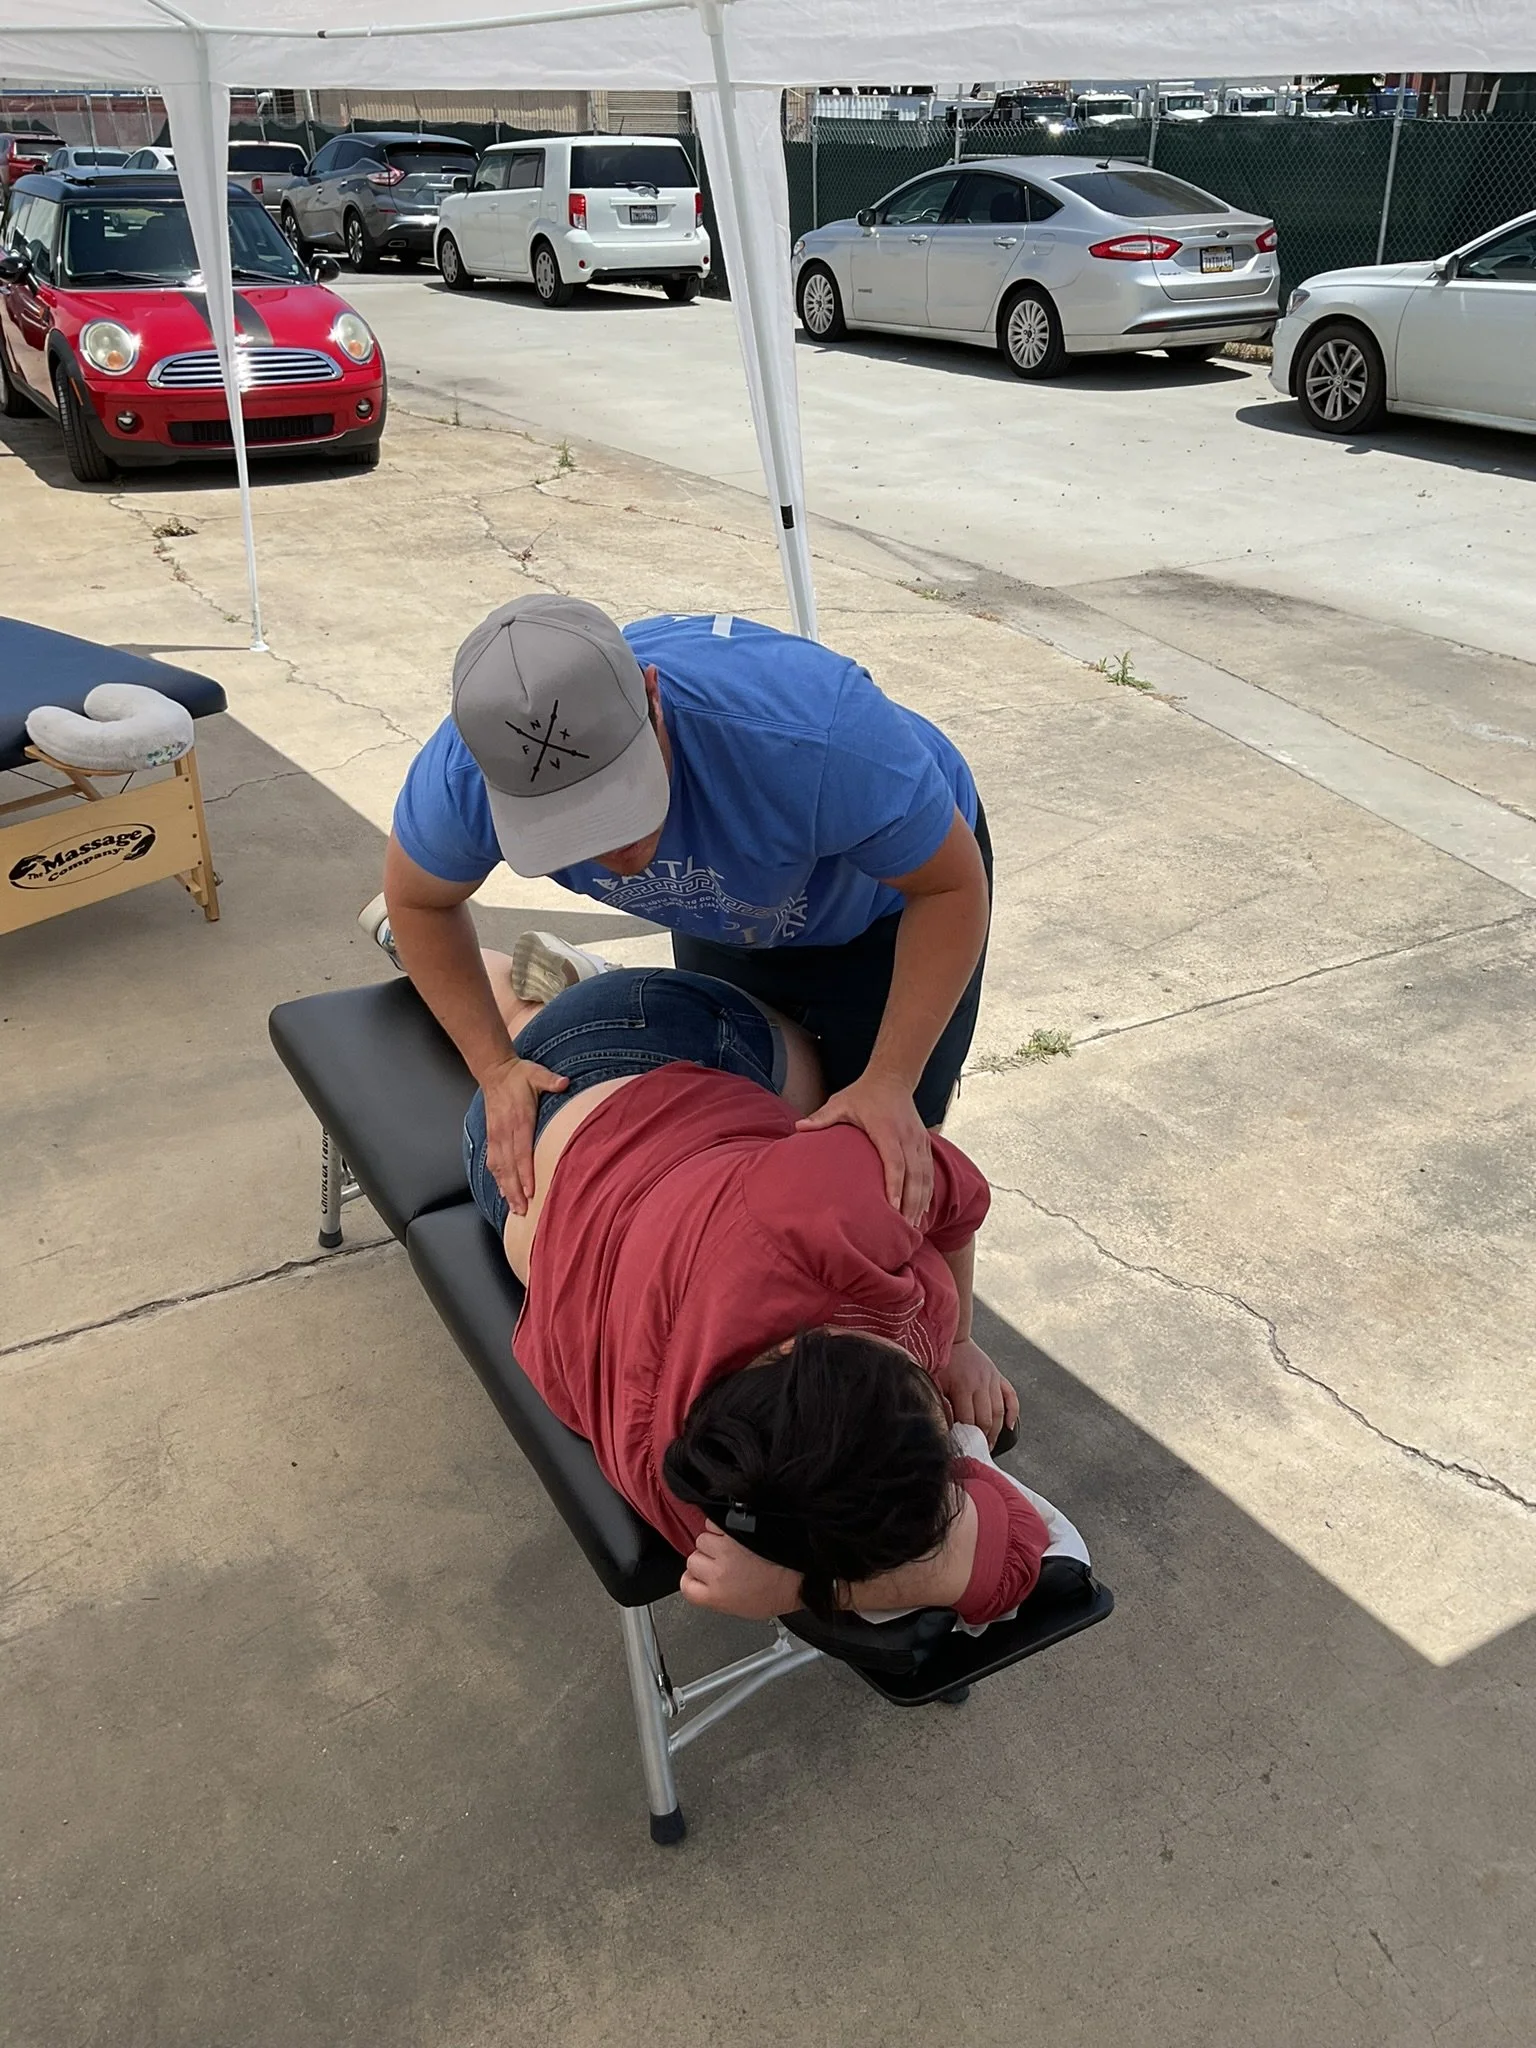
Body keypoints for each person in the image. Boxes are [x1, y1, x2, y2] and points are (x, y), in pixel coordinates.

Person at [373, 593, 992, 1233]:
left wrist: (891, 1079)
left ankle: (944, 1336)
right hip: (722, 904)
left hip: (892, 906)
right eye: (566, 827)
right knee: (759, 1110)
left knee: (896, 1156)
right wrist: (495, 1068)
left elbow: (949, 887)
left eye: (621, 800)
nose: (611, 855)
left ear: (653, 698)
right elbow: (418, 901)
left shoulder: (814, 737)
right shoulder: (464, 777)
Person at [462, 956, 1049, 1628]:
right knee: (821, 1062)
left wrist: (961, 1340)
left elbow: (955, 1192)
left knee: (808, 1061)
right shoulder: (721, 1492)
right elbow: (1011, 1559)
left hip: (572, 1096)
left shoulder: (817, 1215)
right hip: (553, 1115)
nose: (945, 1411)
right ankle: (508, 981)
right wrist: (816, 1590)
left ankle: (540, 984)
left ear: (791, 1346)